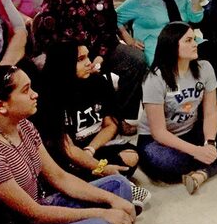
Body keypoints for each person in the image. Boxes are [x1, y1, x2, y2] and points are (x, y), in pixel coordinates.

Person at [0, 66, 136, 224]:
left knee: (118, 185)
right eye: (26, 90)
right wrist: (102, 213)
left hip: (43, 204)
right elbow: (33, 215)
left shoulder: (23, 125)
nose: (35, 95)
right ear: (0, 106)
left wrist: (111, 201)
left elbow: (60, 177)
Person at [34, 0, 149, 130]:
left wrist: (100, 57)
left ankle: (123, 116)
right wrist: (80, 57)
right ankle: (69, 123)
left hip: (100, 49)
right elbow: (48, 33)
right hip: (69, 53)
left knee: (135, 60)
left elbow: (110, 30)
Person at [137, 23, 217, 195]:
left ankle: (203, 173)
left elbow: (210, 112)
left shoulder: (205, 68)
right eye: (189, 40)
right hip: (157, 142)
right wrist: (196, 151)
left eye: (194, 39)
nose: (195, 44)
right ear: (172, 45)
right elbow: (159, 133)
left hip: (191, 132)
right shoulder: (155, 79)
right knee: (168, 166)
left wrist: (210, 143)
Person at [34, 43, 149, 212]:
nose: (89, 62)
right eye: (81, 59)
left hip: (93, 147)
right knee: (69, 172)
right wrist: (101, 168)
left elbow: (110, 125)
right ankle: (108, 191)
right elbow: (67, 149)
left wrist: (91, 150)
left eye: (88, 56)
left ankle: (106, 188)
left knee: (131, 157)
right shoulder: (49, 96)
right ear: (65, 64)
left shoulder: (97, 82)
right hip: (67, 158)